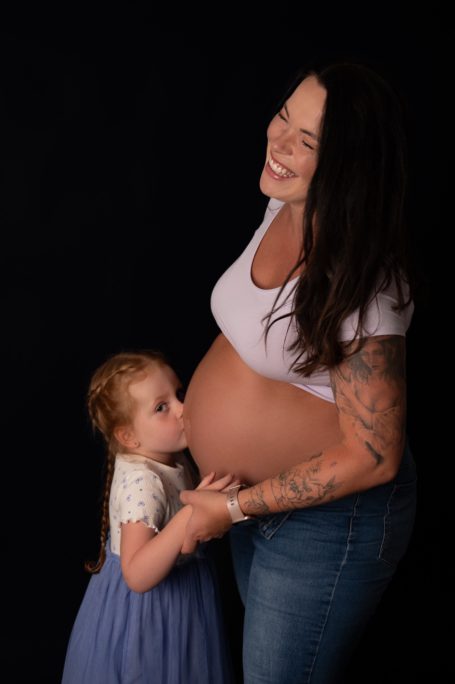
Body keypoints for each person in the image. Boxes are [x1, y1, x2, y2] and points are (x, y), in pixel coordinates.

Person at [180, 61, 418, 684]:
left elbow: (374, 455)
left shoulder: (366, 285)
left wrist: (233, 507)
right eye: (284, 116)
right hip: (246, 504)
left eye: (307, 140)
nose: (279, 142)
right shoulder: (283, 203)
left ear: (347, 167)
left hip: (324, 525)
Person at [61, 350, 234, 684]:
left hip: (184, 598)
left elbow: (183, 541)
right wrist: (189, 517)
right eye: (161, 407)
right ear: (128, 436)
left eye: (179, 394)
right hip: (149, 614)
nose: (182, 408)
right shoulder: (143, 481)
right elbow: (138, 575)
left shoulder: (172, 457)